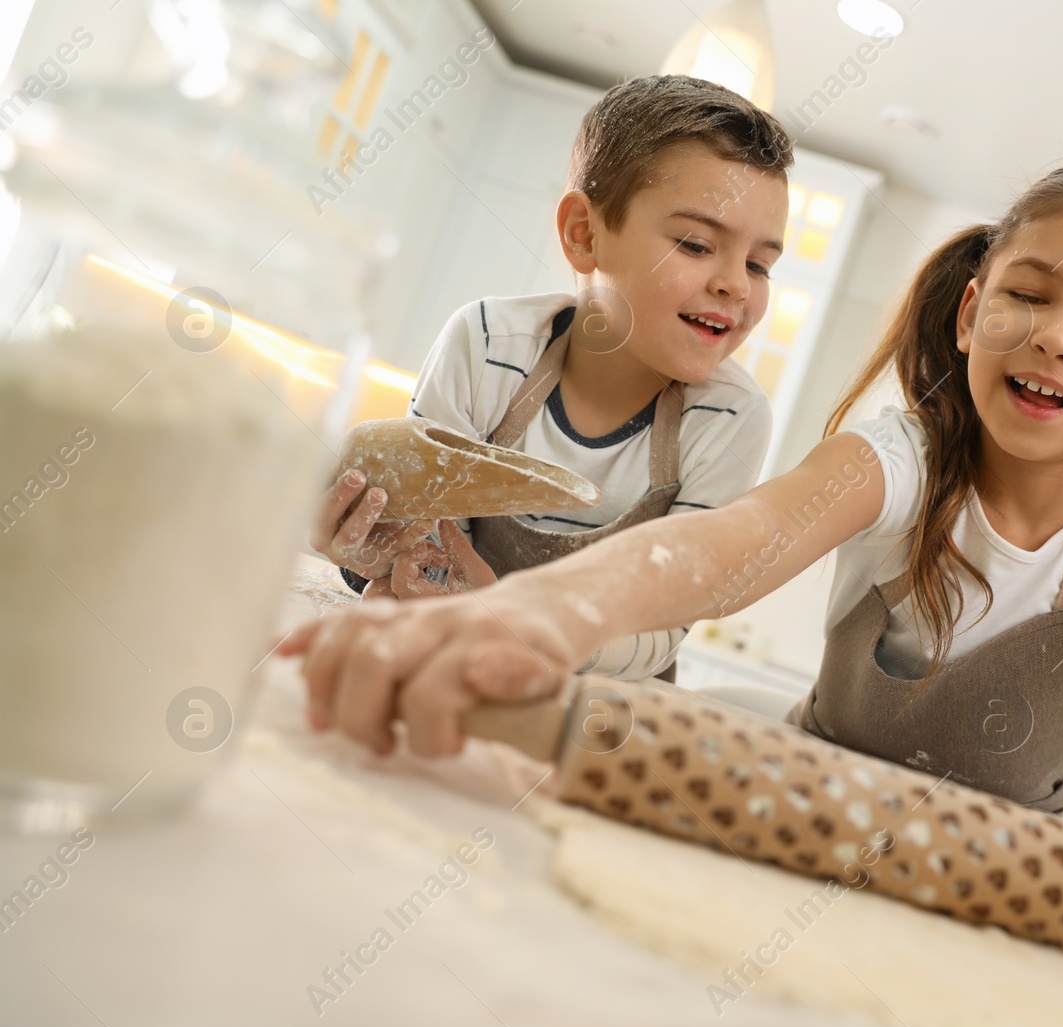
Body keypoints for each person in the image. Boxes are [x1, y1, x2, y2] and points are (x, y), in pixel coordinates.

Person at [281, 165, 1063, 1003]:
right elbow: (735, 543)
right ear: (969, 314)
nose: (1055, 335)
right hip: (791, 815)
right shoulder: (901, 456)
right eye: (1029, 295)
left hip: (994, 872)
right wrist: (538, 609)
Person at [305, 74, 792, 682]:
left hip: (598, 706)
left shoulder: (729, 417)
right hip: (440, 656)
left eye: (759, 264)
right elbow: (422, 550)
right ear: (584, 235)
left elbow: (663, 625)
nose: (736, 286)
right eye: (696, 244)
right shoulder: (487, 345)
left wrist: (518, 626)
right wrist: (373, 559)